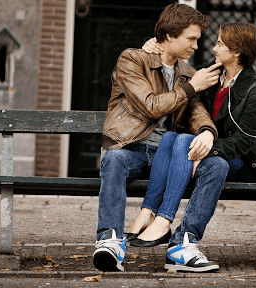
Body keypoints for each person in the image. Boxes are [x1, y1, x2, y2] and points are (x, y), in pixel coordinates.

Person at [126, 22, 256, 270]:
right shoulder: (211, 76)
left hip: (241, 161)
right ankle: (164, 227)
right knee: (173, 138)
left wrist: (208, 149)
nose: (214, 48)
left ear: (236, 51)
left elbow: (244, 141)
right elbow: (177, 90)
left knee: (211, 161)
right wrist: (152, 50)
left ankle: (175, 229)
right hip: (205, 154)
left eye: (219, 43)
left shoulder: (255, 90)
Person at [93, 3, 223, 273]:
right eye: (191, 39)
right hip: (133, 150)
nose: (196, 46)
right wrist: (191, 87)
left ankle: (183, 243)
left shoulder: (188, 74)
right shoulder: (132, 60)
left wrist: (208, 132)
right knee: (114, 159)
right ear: (169, 35)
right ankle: (111, 241)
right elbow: (149, 105)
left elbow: (198, 113)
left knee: (216, 166)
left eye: (198, 40)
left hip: (171, 155)